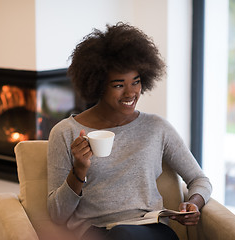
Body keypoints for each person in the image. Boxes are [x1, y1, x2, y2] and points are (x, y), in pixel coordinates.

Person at [47, 22, 212, 240]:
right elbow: (57, 215)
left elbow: (200, 179)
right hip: (95, 233)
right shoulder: (66, 132)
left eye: (136, 82)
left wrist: (193, 203)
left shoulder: (157, 128)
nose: (130, 93)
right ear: (97, 84)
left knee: (123, 234)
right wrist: (78, 171)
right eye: (118, 85)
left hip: (151, 231)